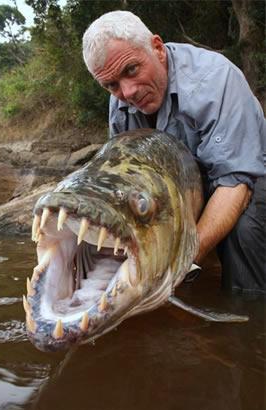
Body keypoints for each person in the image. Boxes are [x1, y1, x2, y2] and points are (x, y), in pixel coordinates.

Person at [82, 10, 265, 293]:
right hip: (185, 184)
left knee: (244, 233)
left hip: (246, 173)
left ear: (157, 48)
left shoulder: (216, 79)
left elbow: (235, 184)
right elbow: (125, 179)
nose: (127, 92)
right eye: (111, 85)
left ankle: (249, 318)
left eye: (131, 70)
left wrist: (179, 265)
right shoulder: (118, 102)